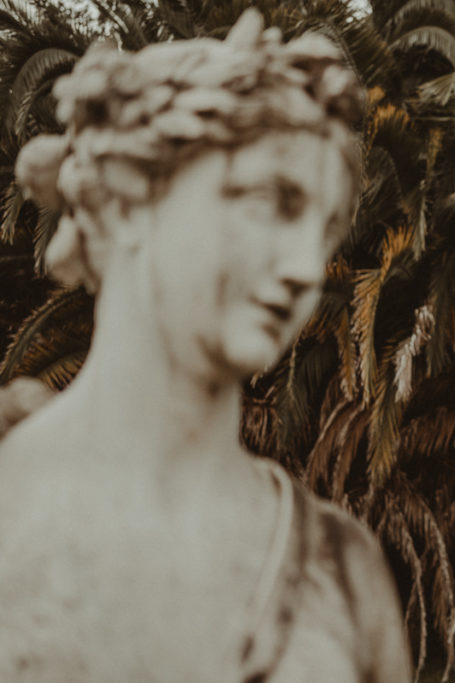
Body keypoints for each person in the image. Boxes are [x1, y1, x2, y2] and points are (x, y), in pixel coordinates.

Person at [0, 11, 411, 682]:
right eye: (270, 201)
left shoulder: (343, 570)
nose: (307, 266)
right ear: (132, 195)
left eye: (325, 230)